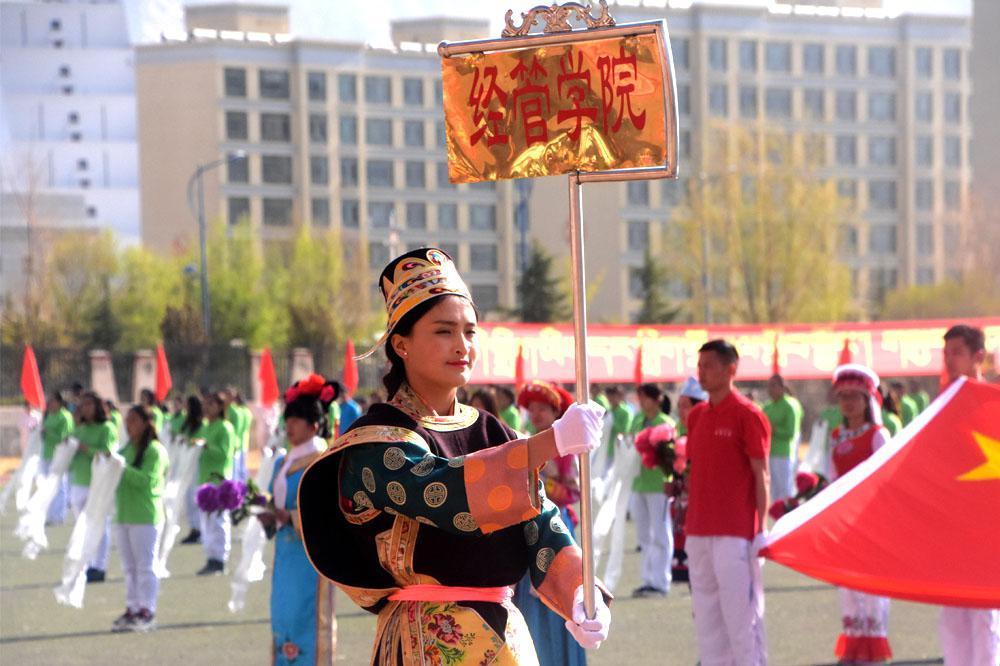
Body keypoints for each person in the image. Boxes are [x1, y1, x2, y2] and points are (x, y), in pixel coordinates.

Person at [297, 247, 610, 664]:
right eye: (444, 331)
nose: (461, 346)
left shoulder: (494, 431)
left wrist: (580, 591)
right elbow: (443, 494)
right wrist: (548, 443)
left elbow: (541, 523)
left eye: (470, 332)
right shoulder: (376, 441)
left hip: (507, 639)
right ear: (401, 344)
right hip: (423, 640)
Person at [685, 339, 770, 665]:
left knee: (742, 619)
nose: (701, 372)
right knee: (707, 619)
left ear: (730, 369)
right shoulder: (697, 416)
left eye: (708, 365)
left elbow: (761, 475)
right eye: (699, 365)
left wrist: (761, 529)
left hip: (736, 533)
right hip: (698, 531)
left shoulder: (748, 415)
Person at [256, 375, 337, 665]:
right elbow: (275, 501)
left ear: (313, 425)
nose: (289, 426)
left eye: (296, 420)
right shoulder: (283, 461)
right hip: (286, 553)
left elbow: (328, 513)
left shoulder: (322, 461)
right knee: (284, 614)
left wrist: (289, 517)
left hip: (310, 557)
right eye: (287, 419)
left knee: (308, 617)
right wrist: (265, 512)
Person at [512, 379, 587, 666]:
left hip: (557, 525)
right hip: (523, 526)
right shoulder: (522, 443)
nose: (536, 414)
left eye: (542, 409)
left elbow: (575, 491)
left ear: (556, 412)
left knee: (560, 593)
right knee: (528, 600)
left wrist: (543, 483)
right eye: (532, 409)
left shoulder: (567, 448)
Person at [938, 324, 1000, 665]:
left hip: (988, 526)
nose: (949, 361)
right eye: (946, 353)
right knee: (952, 617)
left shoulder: (993, 404)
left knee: (985, 616)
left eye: (957, 353)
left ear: (979, 357)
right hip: (952, 524)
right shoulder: (941, 406)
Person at [827, 363, 893, 663]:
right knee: (849, 587)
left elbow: (886, 480)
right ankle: (853, 643)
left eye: (854, 396)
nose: (848, 402)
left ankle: (873, 647)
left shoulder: (878, 435)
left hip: (872, 522)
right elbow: (832, 480)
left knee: (872, 587)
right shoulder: (837, 436)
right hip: (844, 524)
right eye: (843, 396)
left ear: (868, 400)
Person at [112, 405, 168, 633]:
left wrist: (121, 467)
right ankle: (133, 607)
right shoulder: (126, 449)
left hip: (145, 515)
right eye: (127, 420)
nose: (129, 425)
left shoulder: (155, 450)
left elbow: (146, 481)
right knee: (129, 567)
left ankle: (147, 610)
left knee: (146, 565)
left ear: (146, 423)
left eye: (134, 420)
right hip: (123, 514)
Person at [629, 383, 676, 598]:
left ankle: (661, 581)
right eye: (640, 397)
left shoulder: (665, 423)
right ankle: (648, 579)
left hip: (658, 484)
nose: (642, 401)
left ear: (657, 399)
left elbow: (671, 457)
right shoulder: (637, 420)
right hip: (638, 482)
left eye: (645, 397)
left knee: (660, 532)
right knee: (644, 535)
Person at [70, 391, 118, 582]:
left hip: (98, 484)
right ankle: (87, 564)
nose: (85, 408)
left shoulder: (107, 428)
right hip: (79, 484)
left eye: (89, 404)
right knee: (83, 527)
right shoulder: (79, 429)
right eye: (83, 404)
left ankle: (99, 566)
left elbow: (108, 455)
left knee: (100, 525)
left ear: (98, 406)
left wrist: (86, 449)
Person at [670, 377, 708, 583]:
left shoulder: (706, 433)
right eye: (679, 406)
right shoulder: (681, 431)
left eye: (685, 406)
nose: (681, 411)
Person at [196, 392, 237, 575]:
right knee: (206, 522)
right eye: (205, 404)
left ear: (220, 407)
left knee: (218, 521)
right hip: (205, 480)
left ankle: (220, 559)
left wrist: (207, 446)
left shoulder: (225, 427)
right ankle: (211, 557)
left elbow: (224, 454)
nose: (206, 408)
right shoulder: (206, 427)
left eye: (211, 404)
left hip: (219, 481)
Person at [762, 375, 804, 502]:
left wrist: (775, 430)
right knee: (773, 491)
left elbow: (791, 432)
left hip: (784, 454)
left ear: (782, 387)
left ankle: (789, 512)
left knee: (785, 490)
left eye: (774, 386)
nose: (770, 390)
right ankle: (777, 513)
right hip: (769, 453)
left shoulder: (789, 405)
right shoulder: (767, 407)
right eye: (769, 386)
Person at [41, 392, 74, 525]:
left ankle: (59, 515)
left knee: (59, 486)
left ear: (59, 402)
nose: (49, 404)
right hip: (47, 454)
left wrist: (48, 433)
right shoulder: (49, 415)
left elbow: (65, 439)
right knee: (47, 486)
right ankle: (50, 515)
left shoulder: (65, 416)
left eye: (52, 401)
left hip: (59, 455)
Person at [178, 395, 206, 545]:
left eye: (187, 405)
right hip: (186, 465)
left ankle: (199, 529)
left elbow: (201, 441)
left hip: (197, 466)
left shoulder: (202, 424)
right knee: (188, 497)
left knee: (195, 497)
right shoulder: (187, 423)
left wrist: (191, 442)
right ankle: (194, 528)